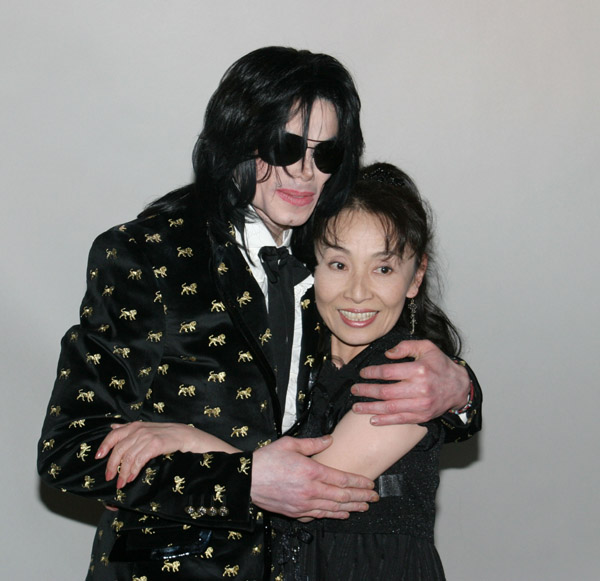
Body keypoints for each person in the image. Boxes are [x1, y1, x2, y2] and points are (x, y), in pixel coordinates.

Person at [37, 47, 479, 580]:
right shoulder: (147, 255)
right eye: (283, 146)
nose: (304, 171)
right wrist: (243, 478)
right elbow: (71, 452)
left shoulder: (334, 252)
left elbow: (384, 372)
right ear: (234, 138)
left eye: (325, 153)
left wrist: (462, 391)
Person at [270, 163, 477, 580]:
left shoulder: (413, 376)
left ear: (415, 276)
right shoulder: (280, 359)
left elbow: (307, 490)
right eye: (338, 264)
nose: (358, 292)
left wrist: (179, 446)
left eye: (383, 269)